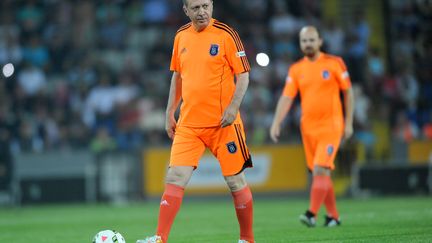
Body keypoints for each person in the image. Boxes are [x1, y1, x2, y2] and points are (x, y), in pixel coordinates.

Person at [137, 0, 254, 242]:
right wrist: (170, 111)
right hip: (189, 124)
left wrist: (234, 107)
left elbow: (243, 74)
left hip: (224, 123)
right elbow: (177, 76)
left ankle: (247, 239)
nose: (201, 12)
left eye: (205, 6)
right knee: (174, 178)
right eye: (196, 7)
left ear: (212, 6)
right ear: (185, 10)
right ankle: (160, 238)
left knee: (235, 181)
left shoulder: (226, 34)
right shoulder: (181, 35)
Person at [270, 26, 354, 227]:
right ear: (300, 44)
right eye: (304, 41)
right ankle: (333, 216)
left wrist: (348, 123)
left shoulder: (335, 63)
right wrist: (276, 122)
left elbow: (348, 93)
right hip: (308, 128)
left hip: (331, 125)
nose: (308, 44)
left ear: (320, 41)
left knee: (320, 169)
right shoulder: (296, 69)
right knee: (322, 173)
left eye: (311, 40)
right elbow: (287, 97)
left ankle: (311, 214)